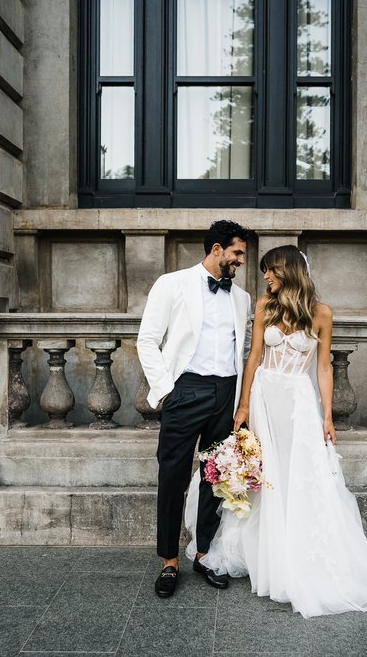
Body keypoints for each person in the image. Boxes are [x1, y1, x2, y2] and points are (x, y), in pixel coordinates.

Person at [184, 245, 367, 618]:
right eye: (264, 271)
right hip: (264, 395)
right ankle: (258, 551)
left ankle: (297, 553)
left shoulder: (322, 314)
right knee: (264, 473)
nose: (265, 276)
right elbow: (254, 357)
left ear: (288, 270)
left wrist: (327, 417)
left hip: (297, 401)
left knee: (297, 474)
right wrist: (243, 406)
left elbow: (323, 369)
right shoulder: (264, 307)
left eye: (270, 270)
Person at [136, 220, 252, 598]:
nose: (240, 262)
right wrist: (168, 391)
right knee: (172, 476)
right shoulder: (171, 284)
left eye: (242, 256)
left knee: (214, 479)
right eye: (236, 253)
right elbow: (147, 341)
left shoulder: (242, 297)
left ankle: (204, 555)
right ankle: (169, 562)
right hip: (186, 391)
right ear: (216, 249)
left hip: (226, 393)